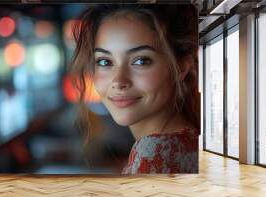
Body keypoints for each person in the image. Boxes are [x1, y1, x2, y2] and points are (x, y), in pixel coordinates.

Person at [71, 4, 200, 174]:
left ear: (181, 67)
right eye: (104, 62)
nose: (118, 81)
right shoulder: (187, 140)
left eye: (140, 61)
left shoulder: (155, 154)